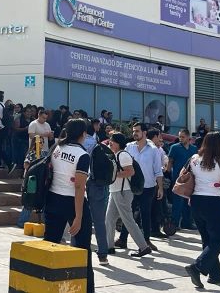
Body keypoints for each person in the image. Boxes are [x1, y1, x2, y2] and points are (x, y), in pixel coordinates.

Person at [44, 119, 95, 293]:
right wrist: (78, 217)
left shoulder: (57, 148)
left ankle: (45, 285)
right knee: (83, 250)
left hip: (53, 199)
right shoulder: (82, 155)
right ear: (83, 134)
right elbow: (79, 187)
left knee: (50, 244)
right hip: (73, 202)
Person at [185, 132, 220, 288]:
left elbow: (183, 175)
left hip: (196, 201)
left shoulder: (194, 159)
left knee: (207, 240)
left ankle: (215, 275)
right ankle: (197, 267)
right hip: (215, 202)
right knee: (219, 239)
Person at [116, 123, 164, 252]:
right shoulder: (129, 147)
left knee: (145, 214)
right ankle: (122, 239)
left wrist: (160, 188)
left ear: (144, 132)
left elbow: (158, 171)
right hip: (131, 186)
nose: (134, 133)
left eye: (137, 131)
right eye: (133, 131)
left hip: (148, 187)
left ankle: (146, 240)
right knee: (128, 214)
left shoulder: (153, 150)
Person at [106, 133, 152, 258]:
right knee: (109, 219)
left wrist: (113, 175)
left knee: (128, 220)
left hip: (122, 191)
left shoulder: (123, 155)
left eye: (112, 141)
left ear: (119, 143)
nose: (110, 143)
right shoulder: (116, 155)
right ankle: (108, 246)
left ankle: (144, 247)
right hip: (116, 191)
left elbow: (130, 171)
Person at [81, 123, 110, 265]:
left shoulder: (77, 144)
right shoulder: (97, 143)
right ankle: (103, 254)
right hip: (98, 185)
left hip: (80, 182)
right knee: (99, 222)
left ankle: (79, 251)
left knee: (79, 220)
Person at [167, 129, 198, 230]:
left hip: (190, 179)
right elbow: (170, 161)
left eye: (183, 137)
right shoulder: (174, 147)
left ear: (188, 137)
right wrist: (167, 174)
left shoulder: (194, 149)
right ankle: (174, 224)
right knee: (177, 202)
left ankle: (187, 222)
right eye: (179, 136)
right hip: (178, 179)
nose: (180, 139)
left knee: (188, 201)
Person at [148, 129, 168, 238]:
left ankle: (154, 228)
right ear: (155, 137)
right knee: (153, 206)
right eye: (159, 136)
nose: (161, 138)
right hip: (151, 181)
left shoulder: (159, 149)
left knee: (157, 206)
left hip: (155, 181)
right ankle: (152, 229)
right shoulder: (151, 149)